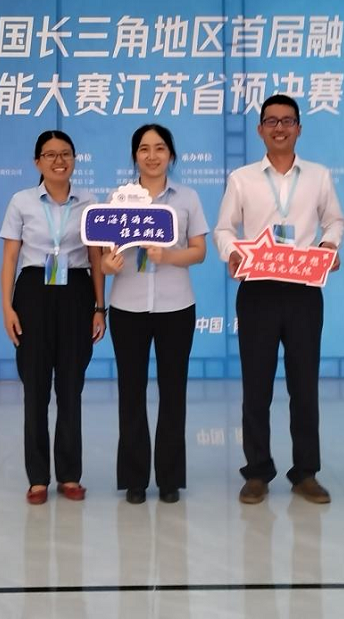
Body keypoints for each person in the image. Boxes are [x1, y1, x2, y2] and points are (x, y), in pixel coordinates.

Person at [214, 94, 344, 505]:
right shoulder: (242, 178)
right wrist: (232, 253)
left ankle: (306, 472)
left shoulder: (319, 176)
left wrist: (329, 244)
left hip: (305, 289)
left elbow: (335, 220)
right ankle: (257, 472)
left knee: (304, 385)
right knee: (257, 386)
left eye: (288, 121)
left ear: (299, 128)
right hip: (258, 290)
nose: (280, 128)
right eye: (271, 121)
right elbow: (223, 229)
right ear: (260, 130)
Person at [101, 124, 208, 505]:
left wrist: (170, 255)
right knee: (131, 393)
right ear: (135, 156)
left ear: (171, 155)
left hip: (175, 306)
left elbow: (199, 251)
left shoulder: (187, 198)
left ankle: (169, 478)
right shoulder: (118, 198)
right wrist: (108, 265)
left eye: (160, 148)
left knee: (173, 392)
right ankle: (134, 478)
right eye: (144, 149)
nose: (152, 155)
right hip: (127, 306)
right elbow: (104, 253)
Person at [0, 130, 107, 505]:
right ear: (37, 162)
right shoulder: (22, 202)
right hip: (33, 293)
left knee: (71, 388)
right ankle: (38, 478)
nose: (59, 161)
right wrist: (7, 307)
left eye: (65, 154)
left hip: (76, 292)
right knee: (35, 389)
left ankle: (70, 475)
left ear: (75, 159)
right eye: (50, 155)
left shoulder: (90, 202)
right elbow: (10, 259)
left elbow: (95, 257)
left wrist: (99, 307)